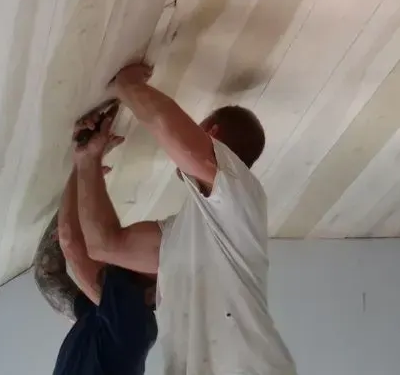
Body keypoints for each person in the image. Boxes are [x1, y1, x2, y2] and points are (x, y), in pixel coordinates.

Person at [86, 61, 297, 375]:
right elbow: (105, 243)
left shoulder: (238, 192)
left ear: (212, 133)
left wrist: (128, 89)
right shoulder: (204, 222)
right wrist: (90, 161)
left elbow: (103, 246)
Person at [38, 105, 160, 375]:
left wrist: (86, 164)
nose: (150, 255)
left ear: (151, 293)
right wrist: (86, 172)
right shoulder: (123, 325)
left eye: (155, 259)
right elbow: (53, 266)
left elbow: (69, 240)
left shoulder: (131, 324)